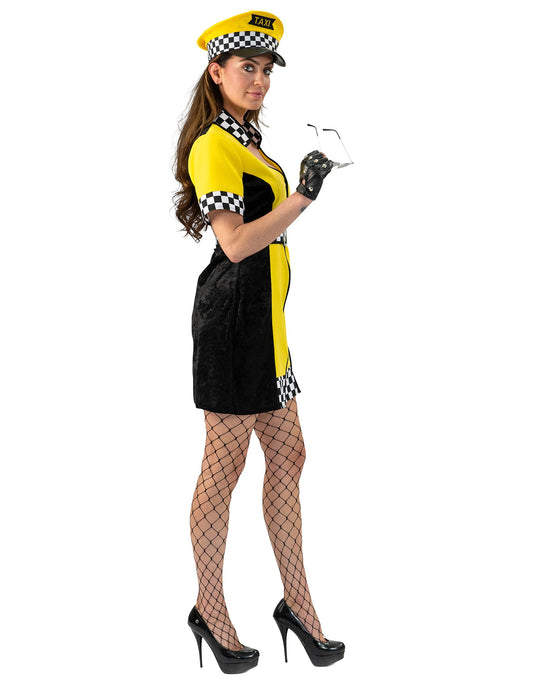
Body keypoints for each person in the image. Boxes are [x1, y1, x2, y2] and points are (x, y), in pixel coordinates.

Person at [172, 10, 345, 674]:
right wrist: (302, 197)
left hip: (266, 328)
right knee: (224, 467)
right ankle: (209, 610)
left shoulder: (248, 141)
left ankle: (297, 605)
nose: (260, 79)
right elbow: (238, 243)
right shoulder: (213, 145)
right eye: (247, 66)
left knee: (290, 454)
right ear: (216, 72)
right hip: (232, 326)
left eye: (267, 69)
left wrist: (294, 190)